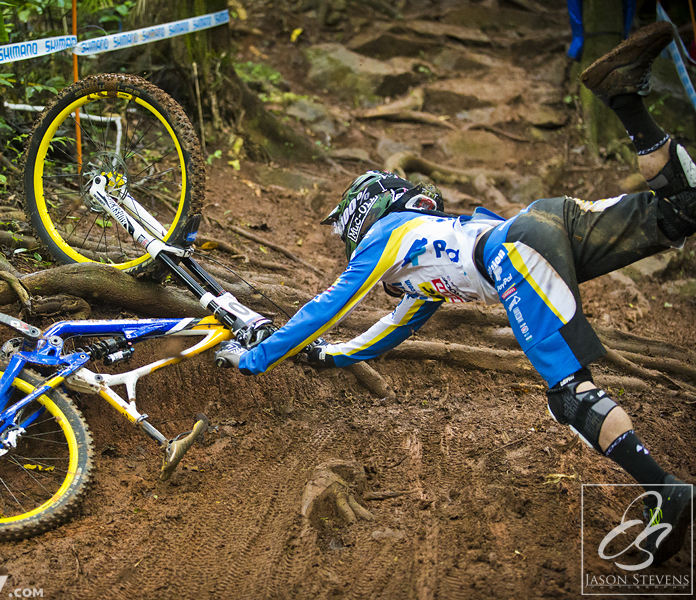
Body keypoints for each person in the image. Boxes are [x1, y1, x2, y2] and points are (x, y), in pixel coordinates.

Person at [215, 21, 694, 567]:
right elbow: (389, 329)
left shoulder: (384, 237)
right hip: (540, 223)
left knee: (569, 395)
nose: (344, 241)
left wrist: (257, 357)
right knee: (681, 208)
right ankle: (626, 98)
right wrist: (329, 356)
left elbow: (328, 306)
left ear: (363, 213)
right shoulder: (420, 261)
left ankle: (665, 492)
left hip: (518, 255)